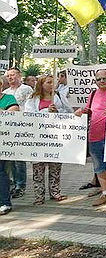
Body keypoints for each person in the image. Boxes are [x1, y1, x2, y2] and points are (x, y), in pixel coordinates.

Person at [24, 75, 72, 204]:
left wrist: (57, 111)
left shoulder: (59, 97)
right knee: (38, 168)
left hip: (55, 137)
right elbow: (28, 115)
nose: (52, 85)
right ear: (41, 84)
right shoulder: (32, 99)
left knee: (55, 166)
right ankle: (39, 196)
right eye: (49, 82)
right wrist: (45, 111)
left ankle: (55, 192)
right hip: (38, 138)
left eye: (53, 82)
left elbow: (68, 113)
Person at [74, 69, 106, 207]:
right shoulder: (92, 94)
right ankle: (105, 193)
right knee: (99, 167)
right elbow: (89, 110)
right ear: (95, 81)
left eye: (105, 78)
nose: (102, 81)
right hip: (94, 135)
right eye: (99, 79)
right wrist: (82, 111)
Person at [2, 67, 32, 198]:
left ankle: (20, 185)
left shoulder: (27, 89)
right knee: (9, 159)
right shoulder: (6, 92)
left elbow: (30, 106)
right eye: (8, 75)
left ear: (19, 76)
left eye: (13, 75)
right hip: (7, 130)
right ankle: (12, 183)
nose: (10, 77)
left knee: (19, 159)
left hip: (22, 126)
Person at [0, 89, 19, 215]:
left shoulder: (9, 98)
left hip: (3, 140)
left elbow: (14, 113)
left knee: (0, 171)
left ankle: (4, 202)